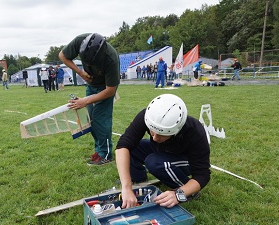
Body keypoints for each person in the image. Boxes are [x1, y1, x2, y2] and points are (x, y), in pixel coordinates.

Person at [115, 94, 210, 209]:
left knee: (154, 162)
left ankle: (187, 189)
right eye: (152, 131)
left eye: (162, 134)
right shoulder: (148, 116)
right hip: (162, 150)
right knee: (134, 147)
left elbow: (202, 174)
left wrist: (178, 194)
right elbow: (123, 146)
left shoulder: (194, 130)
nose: (154, 137)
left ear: (175, 132)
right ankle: (138, 178)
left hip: (184, 159)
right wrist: (127, 187)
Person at [59, 33, 120, 165]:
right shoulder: (80, 41)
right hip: (91, 85)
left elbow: (110, 90)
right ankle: (99, 151)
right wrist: (80, 72)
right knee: (90, 118)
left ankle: (106, 155)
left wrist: (85, 101)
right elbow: (62, 55)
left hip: (105, 88)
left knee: (100, 119)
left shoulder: (111, 59)